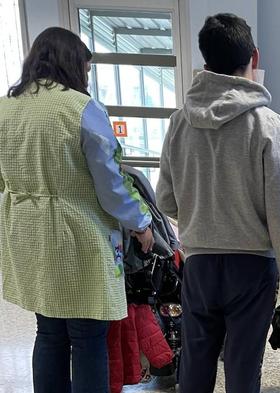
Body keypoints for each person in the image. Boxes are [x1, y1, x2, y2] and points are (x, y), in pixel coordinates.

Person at [0, 27, 154, 393]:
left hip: (26, 236)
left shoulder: (5, 109)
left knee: (49, 332)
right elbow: (112, 183)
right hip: (77, 238)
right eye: (86, 68)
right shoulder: (82, 110)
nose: (87, 76)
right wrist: (141, 222)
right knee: (87, 338)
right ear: (73, 65)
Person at [155, 13, 280, 393]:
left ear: (205, 63)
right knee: (242, 368)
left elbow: (165, 200)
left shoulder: (179, 123)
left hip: (199, 264)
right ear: (254, 56)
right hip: (252, 268)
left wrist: (203, 215)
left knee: (195, 364)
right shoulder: (268, 124)